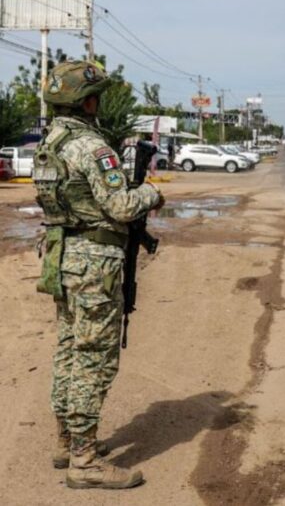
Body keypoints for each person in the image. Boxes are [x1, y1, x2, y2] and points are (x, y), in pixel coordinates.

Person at [33, 61, 164, 489]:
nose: (98, 104)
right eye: (96, 97)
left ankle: (66, 442)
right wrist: (151, 193)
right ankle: (84, 462)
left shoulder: (48, 145)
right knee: (93, 359)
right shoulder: (92, 147)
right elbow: (121, 207)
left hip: (62, 256)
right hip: (94, 263)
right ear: (86, 102)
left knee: (70, 349)